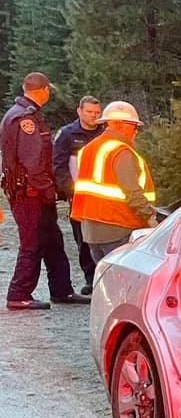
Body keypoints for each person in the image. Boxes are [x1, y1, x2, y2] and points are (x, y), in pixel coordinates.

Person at [3, 72, 88, 310]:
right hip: (30, 193)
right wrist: (48, 189)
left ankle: (62, 290)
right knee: (31, 243)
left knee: (53, 241)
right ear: (44, 90)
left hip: (32, 190)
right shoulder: (25, 119)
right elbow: (32, 163)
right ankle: (18, 294)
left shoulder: (22, 114)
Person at [71, 100, 157, 262]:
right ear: (120, 125)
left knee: (105, 275)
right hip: (119, 227)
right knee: (125, 276)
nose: (136, 132)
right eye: (134, 126)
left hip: (92, 230)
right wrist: (151, 218)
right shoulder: (121, 152)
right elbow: (133, 193)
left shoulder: (88, 149)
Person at [53, 95, 103, 294]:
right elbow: (59, 165)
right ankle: (90, 279)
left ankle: (103, 278)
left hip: (104, 195)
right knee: (83, 239)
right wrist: (69, 190)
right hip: (79, 196)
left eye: (97, 112)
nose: (93, 116)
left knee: (103, 237)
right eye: (89, 112)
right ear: (79, 111)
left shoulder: (105, 132)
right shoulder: (67, 134)